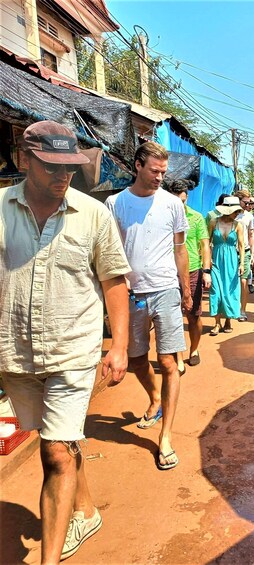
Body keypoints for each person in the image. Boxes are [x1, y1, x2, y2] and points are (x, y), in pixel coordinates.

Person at [0, 121, 130, 562]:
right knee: (57, 437)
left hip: (73, 347)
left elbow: (114, 280)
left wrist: (118, 346)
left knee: (54, 452)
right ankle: (86, 509)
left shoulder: (93, 215)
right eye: (51, 166)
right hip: (15, 350)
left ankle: (48, 560)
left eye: (70, 168)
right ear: (23, 160)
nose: (62, 176)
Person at [106, 141, 191, 472]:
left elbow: (180, 250)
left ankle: (165, 437)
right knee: (137, 360)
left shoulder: (172, 204)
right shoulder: (116, 204)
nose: (159, 177)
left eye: (164, 172)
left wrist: (185, 290)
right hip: (132, 295)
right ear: (138, 166)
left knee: (169, 362)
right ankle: (154, 398)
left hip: (167, 290)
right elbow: (109, 251)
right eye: (154, 171)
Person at [176, 189, 212, 367]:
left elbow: (205, 245)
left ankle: (194, 349)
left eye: (182, 201)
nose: (179, 204)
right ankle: (177, 356)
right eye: (176, 200)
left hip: (193, 270)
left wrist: (206, 271)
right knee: (172, 316)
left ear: (187, 198)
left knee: (193, 314)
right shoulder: (163, 216)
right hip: (168, 272)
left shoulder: (196, 217)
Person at [208, 196, 245, 335]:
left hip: (231, 262)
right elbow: (207, 242)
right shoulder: (213, 222)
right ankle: (217, 323)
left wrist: (242, 263)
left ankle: (228, 319)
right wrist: (207, 260)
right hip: (216, 260)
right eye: (235, 211)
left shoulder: (238, 225)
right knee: (216, 291)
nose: (237, 214)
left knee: (230, 292)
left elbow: (241, 245)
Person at [234, 189, 254, 322]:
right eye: (246, 202)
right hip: (231, 251)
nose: (248, 205)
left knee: (243, 281)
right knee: (232, 282)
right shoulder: (230, 214)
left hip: (246, 251)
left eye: (250, 203)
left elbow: (251, 235)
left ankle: (242, 310)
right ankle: (232, 308)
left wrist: (252, 254)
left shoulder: (249, 216)